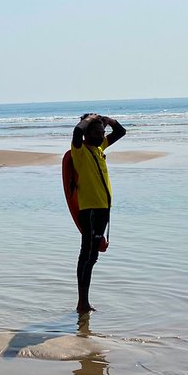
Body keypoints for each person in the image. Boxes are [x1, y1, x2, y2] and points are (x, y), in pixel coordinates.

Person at [70, 113, 126, 313]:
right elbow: (77, 132)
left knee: (92, 256)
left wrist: (106, 119)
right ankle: (82, 302)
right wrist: (89, 119)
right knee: (87, 255)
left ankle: (83, 301)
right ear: (88, 133)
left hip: (102, 209)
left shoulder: (100, 148)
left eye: (103, 131)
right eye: (98, 131)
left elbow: (121, 132)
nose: (103, 134)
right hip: (90, 210)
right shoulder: (80, 151)